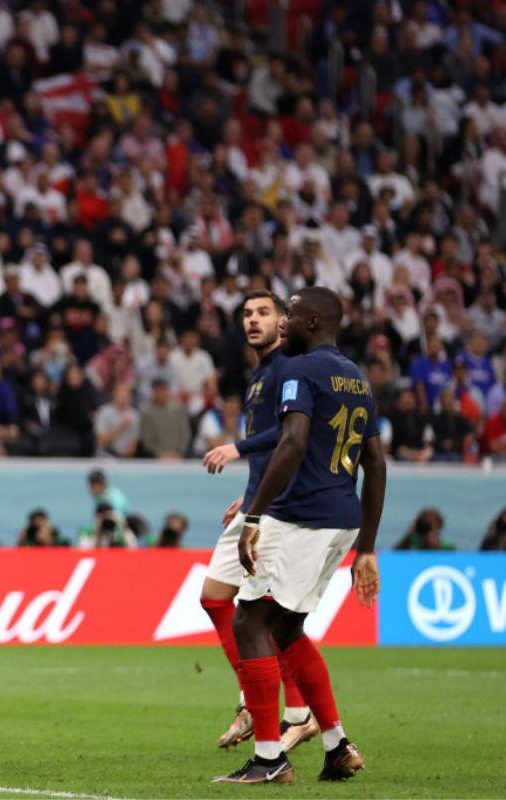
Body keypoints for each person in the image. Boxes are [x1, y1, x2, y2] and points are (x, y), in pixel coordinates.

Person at [216, 287, 385, 784]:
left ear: (311, 321)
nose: (282, 324)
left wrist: (253, 516)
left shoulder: (299, 370)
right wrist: (367, 547)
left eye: (288, 314)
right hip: (342, 518)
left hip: (303, 517)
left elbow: (292, 442)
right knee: (287, 630)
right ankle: (336, 745)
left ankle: (270, 759)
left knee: (249, 622)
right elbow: (374, 463)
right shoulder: (356, 378)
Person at [198, 291, 314, 752]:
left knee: (270, 618)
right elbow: (272, 447)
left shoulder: (289, 366)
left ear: (283, 321)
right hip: (256, 502)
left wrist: (236, 449)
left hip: (279, 512)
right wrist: (246, 491)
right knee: (215, 598)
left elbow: (291, 435)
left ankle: (295, 715)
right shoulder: (261, 373)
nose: (253, 320)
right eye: (247, 314)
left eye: (263, 312)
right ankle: (255, 699)